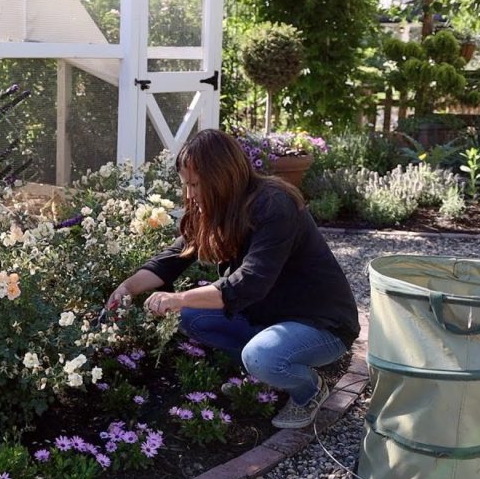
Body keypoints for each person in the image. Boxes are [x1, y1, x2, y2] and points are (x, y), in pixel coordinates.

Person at [107, 129, 359, 429]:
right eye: (185, 185)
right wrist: (125, 288)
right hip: (269, 316)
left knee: (261, 356)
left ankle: (309, 389)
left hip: (321, 324)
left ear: (221, 177)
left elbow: (249, 283)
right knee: (190, 316)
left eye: (195, 185)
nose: (189, 194)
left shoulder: (274, 205)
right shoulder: (217, 206)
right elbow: (174, 258)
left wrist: (177, 298)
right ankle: (266, 368)